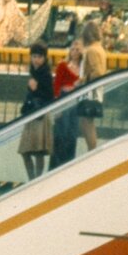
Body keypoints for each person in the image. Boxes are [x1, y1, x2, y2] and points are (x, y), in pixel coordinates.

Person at [18, 40, 54, 180]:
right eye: (34, 56)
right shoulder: (36, 72)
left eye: (39, 57)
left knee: (37, 151)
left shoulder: (45, 75)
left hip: (39, 114)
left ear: (44, 58)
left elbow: (50, 95)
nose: (36, 60)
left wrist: (36, 88)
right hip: (33, 113)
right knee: (28, 151)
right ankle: (34, 179)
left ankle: (35, 179)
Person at [50, 39, 83, 168]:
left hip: (74, 102)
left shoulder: (82, 68)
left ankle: (68, 162)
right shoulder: (63, 66)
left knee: (71, 133)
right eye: (73, 49)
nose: (74, 52)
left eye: (77, 50)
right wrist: (56, 105)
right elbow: (57, 86)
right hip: (64, 99)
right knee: (61, 133)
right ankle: (58, 163)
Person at [77, 20, 107, 151]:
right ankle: (92, 149)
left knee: (86, 123)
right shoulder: (100, 49)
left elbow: (98, 72)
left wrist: (84, 79)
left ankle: (91, 151)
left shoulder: (91, 51)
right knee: (89, 123)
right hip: (97, 93)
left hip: (89, 93)